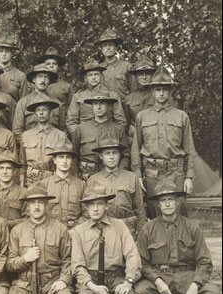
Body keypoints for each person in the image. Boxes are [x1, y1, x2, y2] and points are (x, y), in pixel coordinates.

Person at [133, 179, 222, 294]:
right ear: (157, 204)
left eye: (171, 199)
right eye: (163, 200)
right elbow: (142, 262)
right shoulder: (148, 229)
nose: (167, 204)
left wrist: (196, 284)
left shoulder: (192, 227)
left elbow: (204, 261)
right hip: (159, 280)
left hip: (187, 278)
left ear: (178, 202)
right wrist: (157, 280)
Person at [130, 66, 197, 218]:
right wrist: (138, 175)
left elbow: (189, 149)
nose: (161, 93)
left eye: (165, 89)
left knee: (179, 214)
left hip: (176, 173)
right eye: (158, 89)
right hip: (152, 174)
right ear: (152, 91)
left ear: (170, 91)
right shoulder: (142, 116)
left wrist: (189, 176)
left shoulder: (181, 116)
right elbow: (136, 148)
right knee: (155, 214)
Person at [86, 138, 146, 239]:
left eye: (114, 153)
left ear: (119, 156)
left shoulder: (131, 177)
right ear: (101, 156)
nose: (111, 157)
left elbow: (140, 209)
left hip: (127, 230)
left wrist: (140, 236)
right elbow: (87, 211)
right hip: (101, 231)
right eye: (107, 153)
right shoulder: (93, 180)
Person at [73, 90, 130, 181]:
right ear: (91, 106)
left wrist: (120, 174)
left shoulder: (118, 129)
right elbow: (74, 156)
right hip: (86, 177)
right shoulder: (81, 128)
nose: (98, 107)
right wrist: (76, 177)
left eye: (102, 103)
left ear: (108, 106)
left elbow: (125, 156)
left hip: (112, 177)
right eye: (95, 103)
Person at [66, 59, 127, 137]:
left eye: (96, 74)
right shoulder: (78, 97)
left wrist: (113, 137)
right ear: (85, 78)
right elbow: (71, 122)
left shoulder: (112, 96)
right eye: (90, 75)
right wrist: (81, 137)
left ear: (101, 76)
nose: (93, 77)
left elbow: (121, 122)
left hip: (108, 137)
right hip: (86, 137)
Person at [20, 99, 71, 187]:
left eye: (44, 110)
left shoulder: (60, 136)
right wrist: (21, 184)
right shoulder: (26, 136)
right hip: (31, 181)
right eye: (38, 110)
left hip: (53, 181)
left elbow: (68, 163)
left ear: (50, 113)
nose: (41, 113)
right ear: (35, 114)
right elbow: (22, 164)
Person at [39, 144, 88, 232]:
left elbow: (87, 212)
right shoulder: (43, 185)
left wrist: (76, 229)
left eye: (68, 157)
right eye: (61, 157)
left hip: (74, 232)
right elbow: (38, 212)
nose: (65, 161)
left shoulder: (81, 185)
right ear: (54, 160)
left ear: (71, 160)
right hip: (50, 232)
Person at [12, 63, 62, 148]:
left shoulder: (57, 103)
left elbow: (63, 129)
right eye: (40, 76)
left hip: (53, 148)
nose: (43, 80)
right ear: (34, 79)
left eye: (46, 77)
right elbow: (17, 131)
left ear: (49, 80)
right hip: (30, 149)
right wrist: (30, 146)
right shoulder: (23, 102)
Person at [124, 55, 158, 146]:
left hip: (155, 139)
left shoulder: (159, 96)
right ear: (136, 77)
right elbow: (126, 125)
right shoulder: (129, 99)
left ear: (152, 76)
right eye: (140, 74)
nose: (144, 77)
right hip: (135, 140)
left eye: (147, 74)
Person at [37, 46, 74, 128]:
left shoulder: (66, 87)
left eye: (54, 64)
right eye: (48, 64)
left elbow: (72, 110)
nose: (51, 66)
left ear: (59, 67)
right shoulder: (36, 86)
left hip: (59, 124)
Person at [0, 151, 28, 230]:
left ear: (14, 171)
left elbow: (28, 220)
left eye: (8, 168)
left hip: (16, 235)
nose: (4, 172)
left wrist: (7, 224)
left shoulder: (24, 193)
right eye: (1, 168)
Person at [96, 28, 136, 101]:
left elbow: (134, 91)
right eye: (105, 45)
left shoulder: (127, 66)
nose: (108, 48)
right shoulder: (98, 68)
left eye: (111, 45)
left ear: (116, 48)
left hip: (124, 106)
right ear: (101, 49)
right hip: (104, 107)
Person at [0, 33, 30, 102]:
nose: (4, 54)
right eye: (1, 51)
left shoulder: (20, 76)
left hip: (14, 112)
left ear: (12, 53)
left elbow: (24, 103)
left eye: (7, 51)